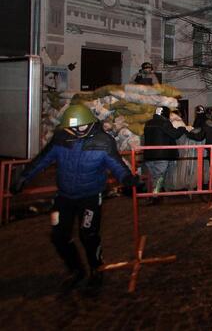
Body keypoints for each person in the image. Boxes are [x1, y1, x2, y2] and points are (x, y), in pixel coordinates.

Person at [10, 104, 138, 290]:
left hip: (90, 197)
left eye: (81, 126)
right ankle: (76, 269)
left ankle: (96, 269)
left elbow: (117, 165)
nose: (77, 131)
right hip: (64, 197)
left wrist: (128, 179)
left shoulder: (103, 142)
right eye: (73, 128)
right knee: (59, 236)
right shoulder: (61, 139)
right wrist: (24, 177)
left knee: (88, 235)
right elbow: (42, 159)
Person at [143, 106, 186, 201]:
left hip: (149, 156)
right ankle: (155, 197)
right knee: (159, 177)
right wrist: (183, 128)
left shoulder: (148, 123)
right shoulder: (164, 123)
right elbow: (174, 134)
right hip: (161, 155)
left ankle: (150, 195)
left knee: (152, 176)